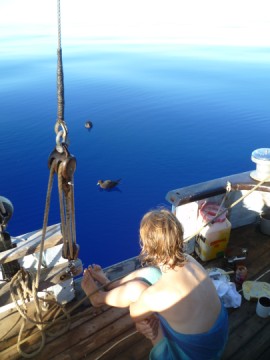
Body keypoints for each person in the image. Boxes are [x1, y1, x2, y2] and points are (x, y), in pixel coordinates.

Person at [81, 209, 228, 359]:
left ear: (146, 248)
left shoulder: (159, 294)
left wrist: (141, 323)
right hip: (218, 338)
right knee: (149, 273)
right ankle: (109, 284)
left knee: (135, 290)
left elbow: (135, 313)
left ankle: (98, 298)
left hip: (196, 355)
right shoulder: (190, 260)